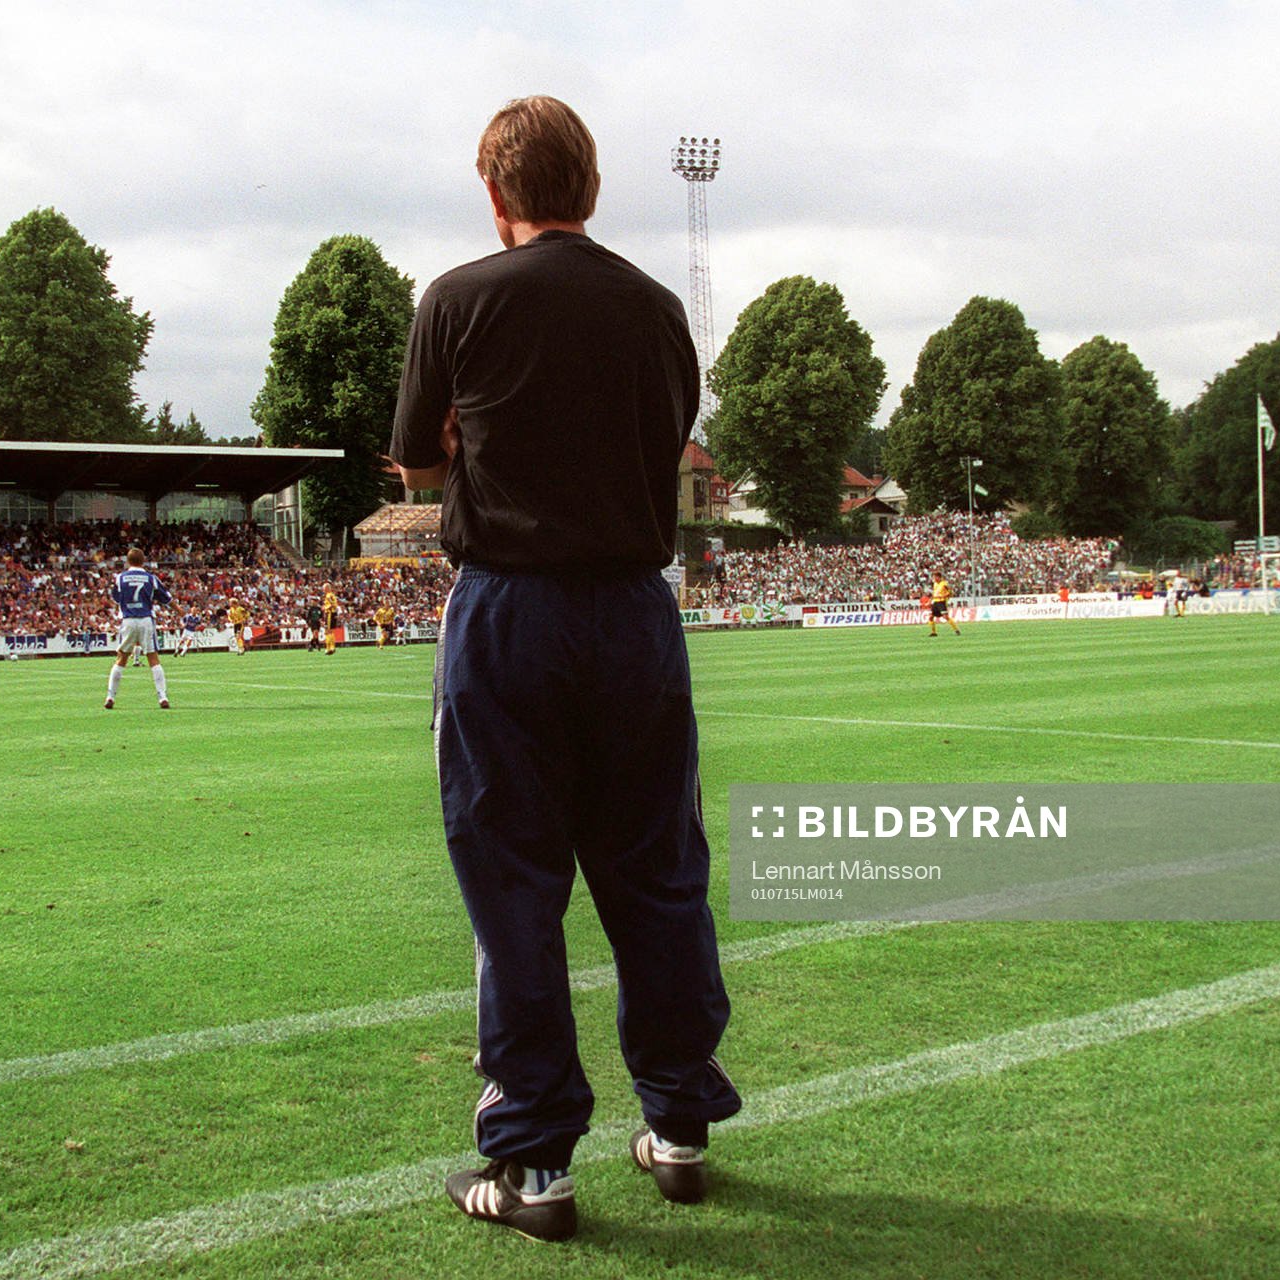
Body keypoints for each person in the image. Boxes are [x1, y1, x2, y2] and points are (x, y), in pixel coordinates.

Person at [391, 94, 739, 1244]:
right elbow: (667, 443)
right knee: (658, 873)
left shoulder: (457, 298)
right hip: (636, 616)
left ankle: (535, 1163)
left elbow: (416, 469)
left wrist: (473, 444)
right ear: (591, 187)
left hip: (509, 612)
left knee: (516, 889)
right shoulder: (654, 311)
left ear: (497, 197)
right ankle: (680, 1126)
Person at [104, 547, 171, 710]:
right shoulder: (150, 578)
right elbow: (165, 598)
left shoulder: (120, 578)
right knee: (153, 659)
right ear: (143, 561)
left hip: (128, 620)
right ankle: (162, 697)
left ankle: (110, 696)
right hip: (145, 619)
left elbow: (116, 597)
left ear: (128, 561)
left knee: (121, 659)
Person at [321, 584, 340, 655]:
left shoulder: (329, 595)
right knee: (329, 631)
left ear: (327, 588)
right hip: (330, 614)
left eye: (324, 588)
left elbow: (334, 605)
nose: (323, 590)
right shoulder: (331, 595)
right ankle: (331, 647)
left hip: (329, 614)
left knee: (328, 631)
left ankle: (330, 648)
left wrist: (325, 608)